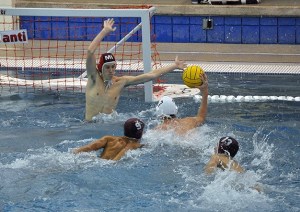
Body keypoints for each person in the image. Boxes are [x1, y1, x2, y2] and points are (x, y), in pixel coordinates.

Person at [85, 18, 186, 121]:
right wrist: (104, 31)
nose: (111, 70)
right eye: (107, 67)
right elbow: (90, 52)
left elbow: (150, 76)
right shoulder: (94, 78)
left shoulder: (120, 82)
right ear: (100, 68)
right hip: (88, 126)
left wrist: (174, 66)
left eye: (113, 66)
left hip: (108, 126)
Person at [73, 118, 145, 161]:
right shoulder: (135, 145)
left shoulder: (108, 139)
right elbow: (114, 162)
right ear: (140, 133)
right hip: (106, 166)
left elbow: (89, 147)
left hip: (96, 161)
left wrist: (74, 152)